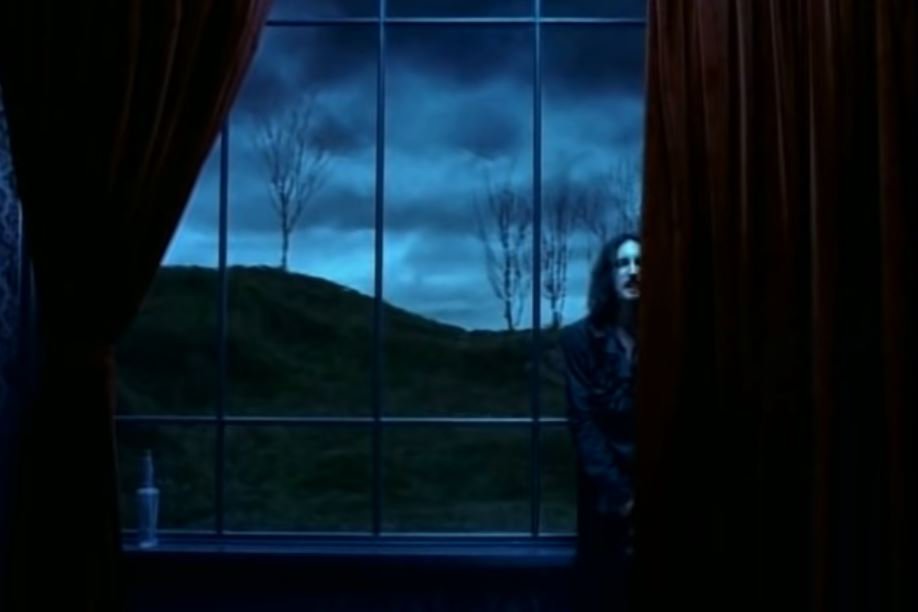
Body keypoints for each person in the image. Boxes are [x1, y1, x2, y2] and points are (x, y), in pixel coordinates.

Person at [561, 233, 640, 611]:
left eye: (640, 263)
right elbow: (583, 421)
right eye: (622, 263)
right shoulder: (580, 339)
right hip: (603, 492)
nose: (633, 271)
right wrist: (623, 497)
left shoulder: (669, 334)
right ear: (608, 274)